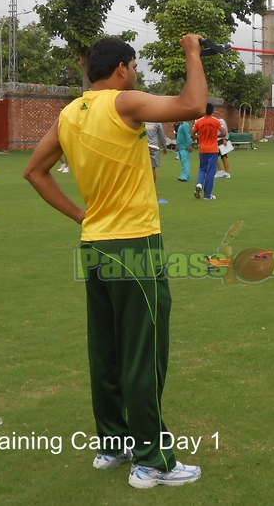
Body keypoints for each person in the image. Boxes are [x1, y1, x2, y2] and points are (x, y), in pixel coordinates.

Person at [23, 34, 205, 489]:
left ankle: (113, 444)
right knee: (144, 352)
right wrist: (192, 54)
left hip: (95, 247)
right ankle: (151, 460)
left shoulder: (70, 114)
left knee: (106, 351)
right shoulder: (124, 102)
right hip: (135, 246)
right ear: (122, 68)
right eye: (135, 65)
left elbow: (34, 172)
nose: (136, 72)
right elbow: (193, 105)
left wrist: (81, 215)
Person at [192, 103, 223, 201]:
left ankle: (199, 183)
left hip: (203, 149)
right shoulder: (216, 121)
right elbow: (224, 133)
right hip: (213, 149)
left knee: (202, 169)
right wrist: (215, 136)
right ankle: (207, 195)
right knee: (210, 172)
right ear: (212, 111)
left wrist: (199, 138)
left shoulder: (198, 122)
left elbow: (192, 134)